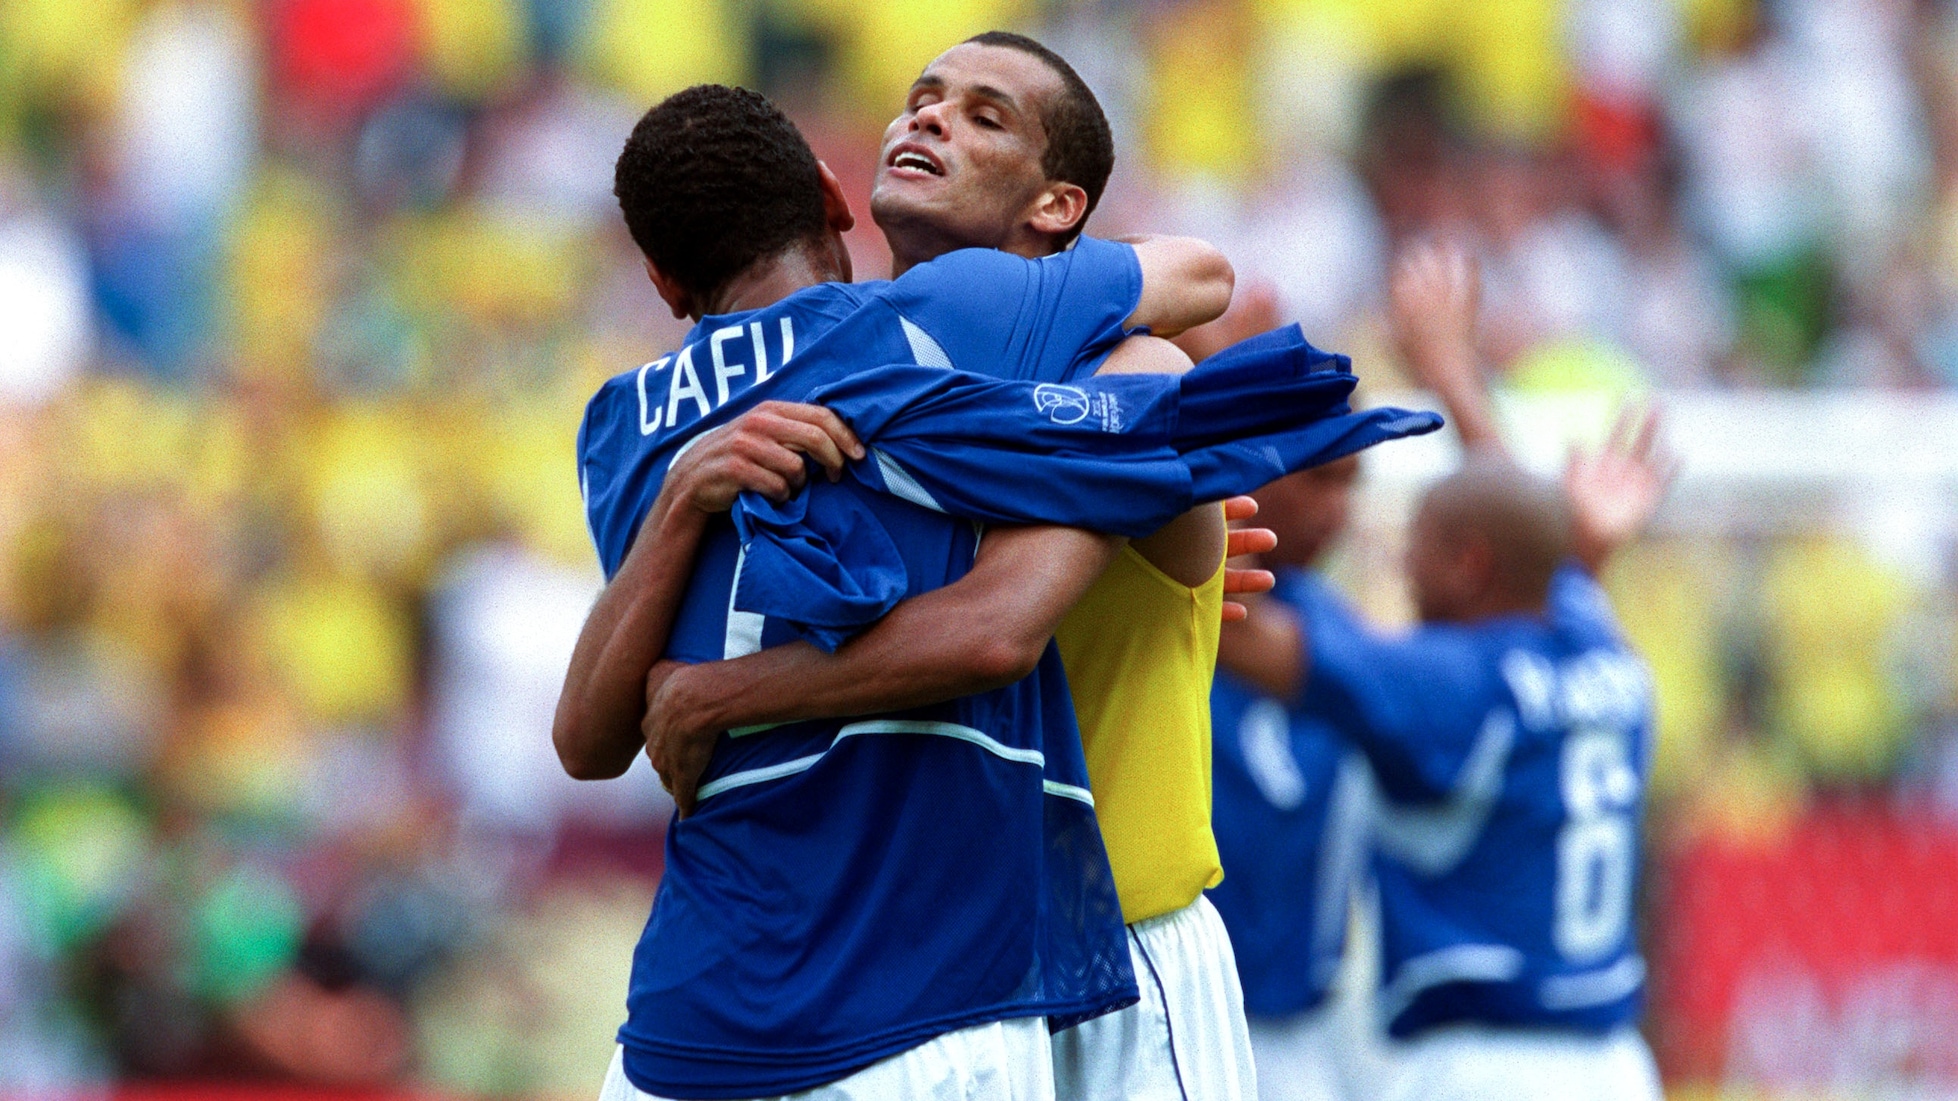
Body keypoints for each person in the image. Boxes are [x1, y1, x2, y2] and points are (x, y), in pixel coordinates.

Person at [639, 34, 1325, 1101]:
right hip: (920, 987)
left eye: (981, 115)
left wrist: (716, 698)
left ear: (1055, 206)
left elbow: (992, 632)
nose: (926, 120)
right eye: (918, 100)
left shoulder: (1127, 367)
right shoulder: (849, 382)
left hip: (1124, 971)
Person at [1215, 241, 1674, 1101]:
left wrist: (1189, 413)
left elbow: (1227, 631)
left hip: (1477, 1065)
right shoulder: (1602, 649)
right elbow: (1532, 543)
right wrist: (1452, 374)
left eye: (1415, 544)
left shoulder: (1444, 683)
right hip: (1616, 1064)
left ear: (1464, 563)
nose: (1391, 554)